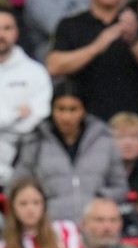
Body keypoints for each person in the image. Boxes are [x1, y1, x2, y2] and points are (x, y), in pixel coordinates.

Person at [13, 81, 129, 224]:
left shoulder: (104, 141)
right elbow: (17, 187)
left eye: (73, 109)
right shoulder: (35, 141)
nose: (66, 117)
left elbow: (120, 187)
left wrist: (98, 198)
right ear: (51, 109)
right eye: (60, 109)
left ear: (84, 111)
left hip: (95, 229)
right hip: (49, 229)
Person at [0, 6, 51, 187]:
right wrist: (14, 115)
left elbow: (40, 114)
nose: (1, 34)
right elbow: (19, 117)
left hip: (24, 154)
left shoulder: (35, 72)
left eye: (7, 28)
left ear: (16, 32)